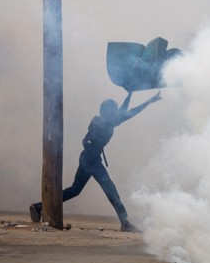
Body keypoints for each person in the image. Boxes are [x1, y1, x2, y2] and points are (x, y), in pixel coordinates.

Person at [30, 90, 162, 232]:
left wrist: (131, 95)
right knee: (111, 191)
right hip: (91, 161)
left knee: (75, 190)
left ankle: (39, 207)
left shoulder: (107, 121)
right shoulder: (102, 122)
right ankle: (125, 223)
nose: (117, 112)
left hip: (88, 159)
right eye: (114, 110)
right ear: (108, 112)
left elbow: (127, 112)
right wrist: (139, 98)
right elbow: (127, 113)